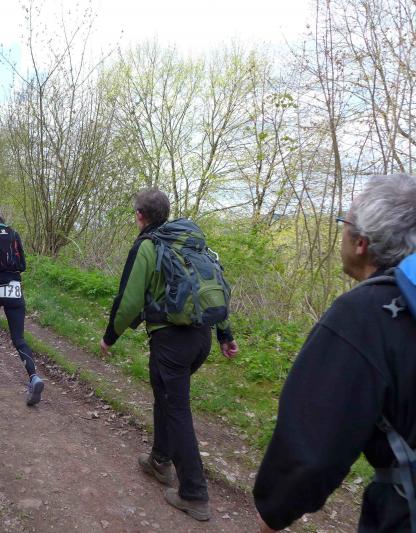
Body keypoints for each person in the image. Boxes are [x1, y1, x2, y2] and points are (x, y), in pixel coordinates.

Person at [254, 174, 416, 533]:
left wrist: (274, 511)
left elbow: (313, 441)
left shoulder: (363, 313)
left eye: (343, 223)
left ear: (361, 243)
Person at [100, 188, 238, 522]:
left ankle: (194, 494)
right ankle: (160, 461)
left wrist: (109, 337)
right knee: (165, 397)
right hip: (201, 338)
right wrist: (225, 334)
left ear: (140, 216)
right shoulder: (188, 243)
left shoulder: (149, 246)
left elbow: (129, 300)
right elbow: (212, 287)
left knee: (176, 408)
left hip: (171, 343)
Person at [0, 206, 45, 406]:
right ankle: (34, 377)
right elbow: (23, 265)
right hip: (15, 289)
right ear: (1, 217)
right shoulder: (14, 234)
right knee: (18, 338)